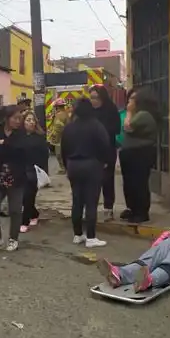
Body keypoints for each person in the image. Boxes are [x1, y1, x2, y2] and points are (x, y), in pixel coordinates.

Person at [60, 98, 114, 248]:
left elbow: (63, 149)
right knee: (91, 202)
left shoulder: (69, 128)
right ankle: (91, 237)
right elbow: (105, 145)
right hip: (92, 165)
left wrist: (67, 166)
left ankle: (77, 234)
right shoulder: (96, 126)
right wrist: (104, 162)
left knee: (77, 200)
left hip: (73, 166)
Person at [0, 105, 28, 253]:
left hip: (16, 178)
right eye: (15, 118)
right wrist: (7, 147)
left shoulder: (21, 133)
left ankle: (13, 239)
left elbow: (21, 149)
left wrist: (3, 144)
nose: (18, 121)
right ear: (6, 118)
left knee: (15, 210)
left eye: (20, 118)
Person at [119, 88, 159, 224]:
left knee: (138, 183)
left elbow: (127, 127)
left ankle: (141, 212)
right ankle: (132, 208)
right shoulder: (138, 114)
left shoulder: (143, 115)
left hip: (140, 153)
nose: (129, 101)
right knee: (129, 183)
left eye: (132, 99)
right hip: (130, 152)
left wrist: (129, 112)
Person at [89, 84, 122, 220]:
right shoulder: (89, 111)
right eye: (91, 98)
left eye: (96, 98)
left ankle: (108, 207)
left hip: (107, 150)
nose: (93, 101)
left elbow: (116, 128)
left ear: (102, 98)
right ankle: (91, 208)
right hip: (91, 151)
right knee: (92, 181)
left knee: (107, 179)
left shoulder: (111, 109)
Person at [19, 109, 49, 233]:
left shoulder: (39, 138)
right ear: (23, 122)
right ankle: (34, 214)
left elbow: (44, 157)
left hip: (33, 172)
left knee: (28, 197)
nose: (31, 123)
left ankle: (24, 222)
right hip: (20, 170)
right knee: (22, 197)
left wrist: (43, 173)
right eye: (28, 120)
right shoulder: (18, 136)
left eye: (33, 120)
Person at [46, 99, 69, 174]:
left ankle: (63, 168)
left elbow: (57, 128)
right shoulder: (65, 114)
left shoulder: (59, 115)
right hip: (65, 137)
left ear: (57, 107)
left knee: (59, 154)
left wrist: (52, 136)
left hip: (60, 138)